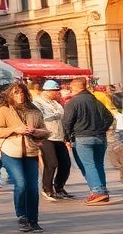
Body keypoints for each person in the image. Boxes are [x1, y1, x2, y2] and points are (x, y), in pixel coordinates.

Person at [0, 81, 49, 233]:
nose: (19, 95)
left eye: (22, 92)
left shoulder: (34, 110)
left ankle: (33, 219)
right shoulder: (4, 110)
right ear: (10, 95)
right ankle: (22, 215)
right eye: (16, 92)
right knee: (21, 183)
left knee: (32, 188)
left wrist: (35, 131)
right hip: (11, 151)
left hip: (30, 151)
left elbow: (45, 131)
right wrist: (14, 129)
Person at [62, 77, 114, 205]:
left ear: (74, 88)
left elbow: (67, 122)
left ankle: (97, 191)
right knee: (98, 164)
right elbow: (109, 117)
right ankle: (102, 190)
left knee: (88, 165)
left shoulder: (73, 102)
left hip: (82, 137)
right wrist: (102, 128)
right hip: (100, 137)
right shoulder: (96, 100)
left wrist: (66, 138)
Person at [33, 80, 72, 201]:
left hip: (59, 136)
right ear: (48, 91)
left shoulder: (57, 103)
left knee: (66, 164)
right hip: (46, 136)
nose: (58, 93)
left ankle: (59, 187)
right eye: (55, 91)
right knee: (52, 163)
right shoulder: (37, 102)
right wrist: (56, 115)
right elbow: (41, 117)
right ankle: (47, 188)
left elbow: (63, 117)